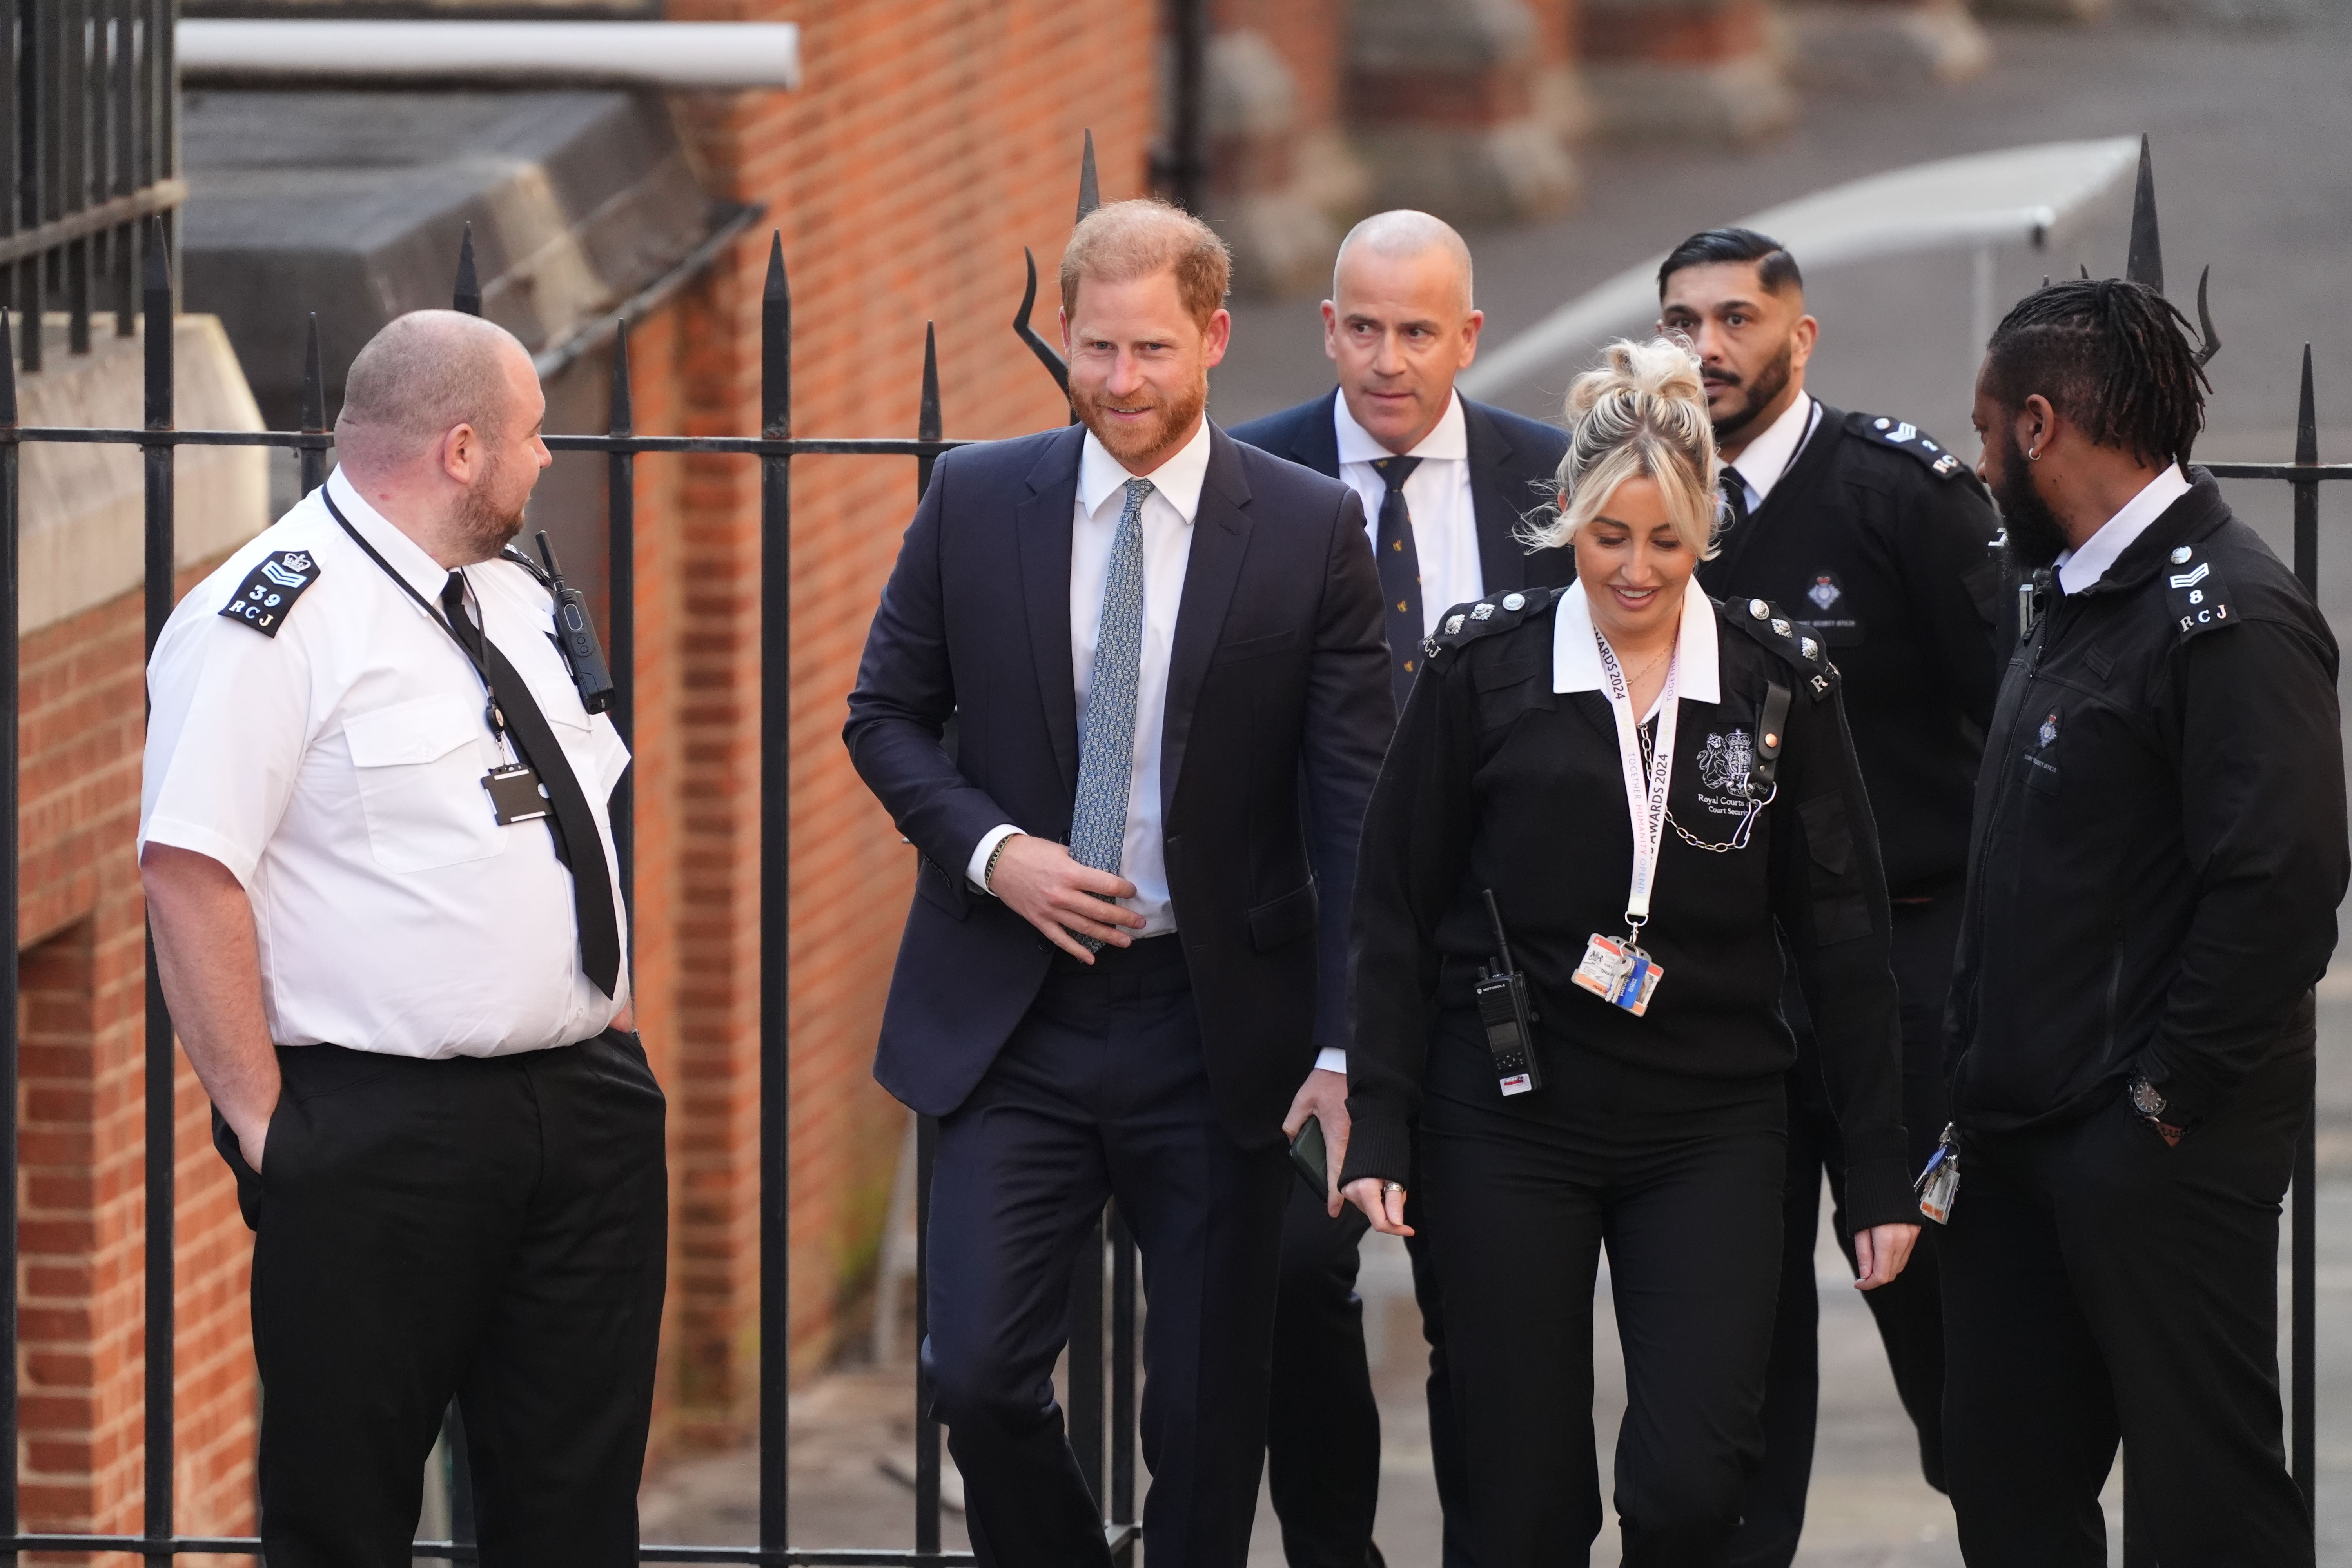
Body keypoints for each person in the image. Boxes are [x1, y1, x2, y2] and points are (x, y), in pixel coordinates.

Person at [843, 198, 1391, 1568]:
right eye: (1097, 350)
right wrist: (996, 852)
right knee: (975, 1375)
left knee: (1208, 1425)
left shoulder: (1311, 528)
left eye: (1151, 350)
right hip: (1013, 1019)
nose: (1122, 383)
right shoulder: (978, 500)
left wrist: (1341, 1044)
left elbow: (1352, 810)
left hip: (1212, 1028)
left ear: (1213, 336)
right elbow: (884, 716)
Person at [1338, 337, 1918, 1567]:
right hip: (1505, 1116)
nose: (1638, 570)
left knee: (1693, 1485)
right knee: (1520, 1495)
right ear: (1567, 525)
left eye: (1666, 540)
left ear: (1706, 529)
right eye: (1611, 538)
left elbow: (1843, 937)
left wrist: (1875, 1171)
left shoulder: (1777, 687)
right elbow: (1394, 906)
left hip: (1709, 1124)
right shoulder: (1480, 670)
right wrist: (1381, 1121)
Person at [140, 310, 661, 1566]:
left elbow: (578, 818)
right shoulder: (267, 620)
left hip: (580, 1117)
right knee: (346, 1514)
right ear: (463, 449)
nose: (551, 462)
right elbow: (189, 873)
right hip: (379, 1135)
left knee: (575, 1511)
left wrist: (617, 1035)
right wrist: (273, 1132)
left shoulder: (514, 594)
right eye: (534, 439)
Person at [1940, 276, 2346, 1565]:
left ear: (2041, 427)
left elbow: (2279, 887)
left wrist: (2163, 1103)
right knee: (2007, 1480)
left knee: (2205, 1503)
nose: (1975, 459)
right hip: (2018, 1141)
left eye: (1983, 429)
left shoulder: (2231, 617)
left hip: (2154, 1148)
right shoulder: (2070, 592)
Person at [1652, 227, 2004, 1564]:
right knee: (1734, 1337)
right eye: (1682, 320)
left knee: (1939, 1311)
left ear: (1801, 339)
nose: (1708, 348)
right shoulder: (1642, 499)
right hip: (1719, 987)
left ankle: (2007, 1524)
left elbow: (2016, 715)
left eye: (1738, 319)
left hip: (1906, 974)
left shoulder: (1901, 494)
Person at [1229, 209, 1571, 1568]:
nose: (1386, 358)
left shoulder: (1555, 486)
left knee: (1487, 1315)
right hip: (1301, 975)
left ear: (1467, 338)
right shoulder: (1244, 473)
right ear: (1326, 328)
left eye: (1417, 331)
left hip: (1489, 979)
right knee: (1294, 1276)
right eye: (1360, 327)